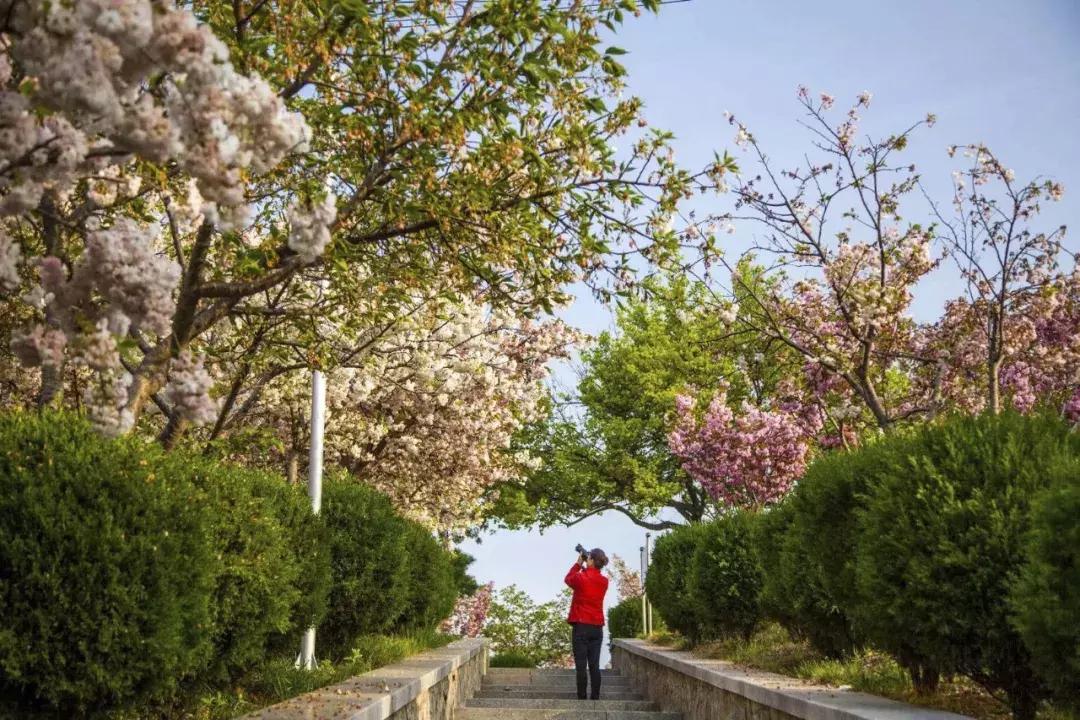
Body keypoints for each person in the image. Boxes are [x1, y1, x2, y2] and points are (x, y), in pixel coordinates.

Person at [564, 547, 609, 700]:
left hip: (581, 626)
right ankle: (595, 697)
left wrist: (578, 564)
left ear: (590, 560)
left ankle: (582, 698)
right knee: (594, 665)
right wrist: (585, 567)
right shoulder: (604, 581)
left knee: (581, 665)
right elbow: (591, 578)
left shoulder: (580, 578)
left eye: (588, 557)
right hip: (597, 628)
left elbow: (568, 579)